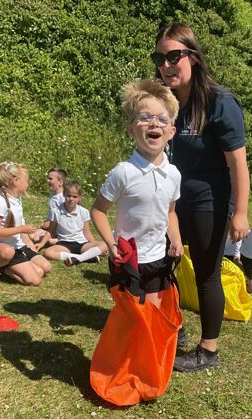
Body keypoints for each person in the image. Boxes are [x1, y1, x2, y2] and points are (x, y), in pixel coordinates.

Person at [153, 23, 250, 371]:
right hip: (173, 204)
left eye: (173, 56)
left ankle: (208, 350)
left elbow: (237, 163)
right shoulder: (166, 102)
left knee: (207, 274)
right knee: (162, 264)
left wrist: (240, 212)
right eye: (160, 59)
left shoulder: (219, 102)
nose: (166, 65)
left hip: (209, 202)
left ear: (192, 56)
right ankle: (173, 327)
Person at [90, 78, 183, 307]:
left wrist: (176, 239)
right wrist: (111, 245)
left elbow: (170, 212)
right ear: (131, 128)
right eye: (145, 117)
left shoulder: (174, 174)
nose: (154, 123)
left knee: (152, 313)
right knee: (132, 315)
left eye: (162, 119)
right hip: (127, 258)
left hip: (158, 258)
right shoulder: (124, 172)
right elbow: (98, 211)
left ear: (171, 131)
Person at [0, 161, 51, 294]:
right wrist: (21, 229)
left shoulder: (17, 199)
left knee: (41, 272)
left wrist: (27, 244)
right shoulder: (0, 201)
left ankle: (1, 267)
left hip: (14, 247)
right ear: (16, 181)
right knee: (10, 255)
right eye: (26, 180)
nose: (28, 183)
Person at [43, 180, 107, 266]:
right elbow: (50, 230)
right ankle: (83, 257)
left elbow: (87, 233)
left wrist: (94, 245)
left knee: (105, 244)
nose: (71, 199)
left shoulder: (84, 212)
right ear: (64, 194)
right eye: (68, 195)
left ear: (79, 198)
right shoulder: (56, 211)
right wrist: (41, 243)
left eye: (75, 196)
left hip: (82, 244)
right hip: (64, 244)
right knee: (48, 253)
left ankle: (79, 257)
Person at [30, 166, 68, 250]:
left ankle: (60, 241)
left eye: (50, 179)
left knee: (35, 239)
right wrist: (47, 221)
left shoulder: (63, 198)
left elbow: (66, 218)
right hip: (51, 228)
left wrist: (50, 223)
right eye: (48, 178)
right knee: (31, 235)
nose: (48, 181)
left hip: (59, 231)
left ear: (60, 182)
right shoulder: (53, 195)